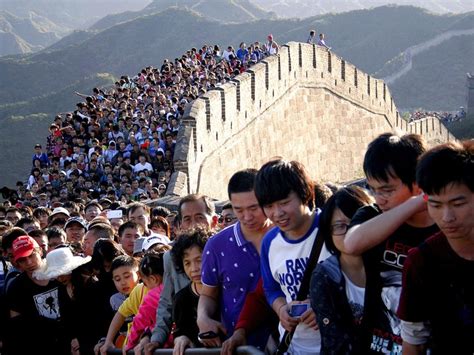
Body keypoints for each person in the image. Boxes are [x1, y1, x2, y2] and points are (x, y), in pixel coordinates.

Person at [344, 133, 439, 353]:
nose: (379, 199)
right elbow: (352, 243)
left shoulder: (444, 225)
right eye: (373, 189)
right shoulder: (370, 215)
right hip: (379, 344)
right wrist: (417, 202)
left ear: (417, 182)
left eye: (387, 190)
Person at [398, 141, 474, 354]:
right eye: (435, 205)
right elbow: (414, 342)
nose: (447, 217)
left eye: (458, 204)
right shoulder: (421, 262)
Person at [256, 159, 329, 354]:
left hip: (338, 343)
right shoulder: (270, 242)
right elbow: (271, 288)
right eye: (269, 206)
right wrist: (281, 309)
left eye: (285, 203)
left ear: (305, 193)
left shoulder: (332, 227)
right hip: (294, 346)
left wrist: (325, 307)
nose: (277, 213)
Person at [197, 169, 273, 350]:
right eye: (239, 210)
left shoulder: (286, 237)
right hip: (238, 346)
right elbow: (208, 294)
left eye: (254, 208)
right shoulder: (217, 245)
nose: (247, 217)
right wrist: (203, 318)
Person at [145, 194, 216, 354]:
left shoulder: (224, 251)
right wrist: (156, 338)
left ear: (213, 220)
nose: (193, 224)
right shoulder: (170, 257)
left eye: (199, 217)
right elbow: (166, 303)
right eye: (187, 219)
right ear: (180, 223)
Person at [310, 186, 374, 354]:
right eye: (340, 226)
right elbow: (334, 340)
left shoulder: (390, 265)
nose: (350, 232)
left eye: (356, 222)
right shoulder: (324, 276)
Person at [5, 236, 67, 354]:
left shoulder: (60, 274)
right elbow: (16, 324)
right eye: (23, 259)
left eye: (31, 255)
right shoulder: (16, 287)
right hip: (37, 346)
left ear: (40, 251)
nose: (29, 262)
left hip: (67, 342)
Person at [33, 246, 93, 355]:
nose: (59, 278)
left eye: (62, 273)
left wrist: (81, 340)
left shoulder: (89, 284)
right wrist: (73, 339)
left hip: (92, 337)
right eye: (56, 275)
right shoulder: (61, 288)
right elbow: (67, 318)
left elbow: (93, 317)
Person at [171, 227, 211, 354]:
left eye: (199, 260)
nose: (194, 268)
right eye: (187, 263)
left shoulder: (228, 291)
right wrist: (181, 338)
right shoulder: (181, 299)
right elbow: (181, 330)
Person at [125, 253, 166, 353]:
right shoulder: (178, 288)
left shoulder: (152, 296)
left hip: (162, 346)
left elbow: (139, 323)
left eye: (145, 283)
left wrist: (130, 344)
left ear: (153, 279)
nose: (145, 286)